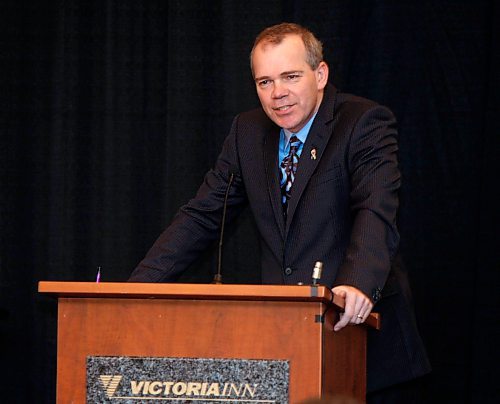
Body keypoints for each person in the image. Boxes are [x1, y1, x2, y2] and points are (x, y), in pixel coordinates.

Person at [129, 22, 431, 401]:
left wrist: (357, 282)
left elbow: (376, 207)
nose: (278, 94)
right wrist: (135, 290)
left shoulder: (363, 122)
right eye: (265, 82)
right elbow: (202, 215)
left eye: (290, 77)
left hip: (362, 344)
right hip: (282, 345)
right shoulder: (247, 131)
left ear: (320, 75)